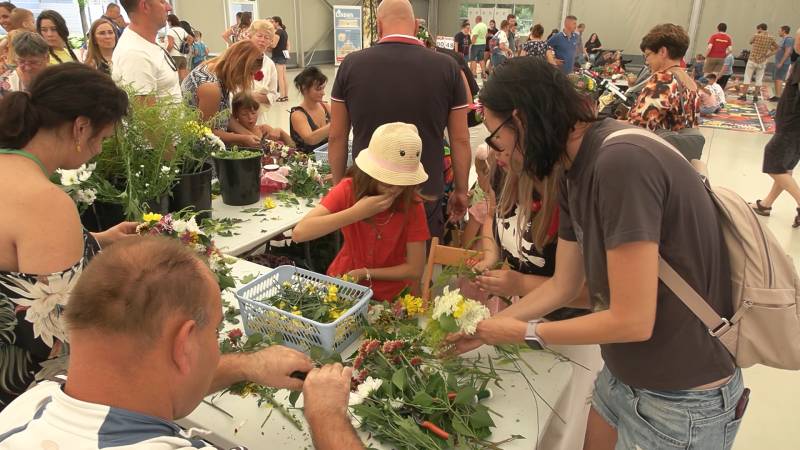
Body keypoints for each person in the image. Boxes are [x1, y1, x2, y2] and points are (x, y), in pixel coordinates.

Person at [448, 56, 743, 450]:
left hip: (681, 395)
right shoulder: (572, 169)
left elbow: (633, 319)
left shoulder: (619, 162)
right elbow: (565, 286)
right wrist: (483, 331)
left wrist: (527, 332)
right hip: (625, 374)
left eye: (496, 138)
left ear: (521, 122)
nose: (497, 153)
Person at [0, 237, 363, 449]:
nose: (217, 346)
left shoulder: (29, 403)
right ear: (185, 342)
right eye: (216, 333)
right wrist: (327, 417)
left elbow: (140, 381)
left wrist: (245, 365)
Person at [0, 63, 136, 409]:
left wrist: (96, 239)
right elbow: (59, 337)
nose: (101, 150)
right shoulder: (45, 202)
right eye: (103, 139)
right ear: (80, 127)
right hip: (24, 396)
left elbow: (17, 255)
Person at [329, 0, 470, 240]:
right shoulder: (447, 67)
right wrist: (461, 190)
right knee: (419, 268)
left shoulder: (350, 65)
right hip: (425, 190)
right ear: (416, 27)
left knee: (367, 268)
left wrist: (338, 188)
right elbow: (460, 139)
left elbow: (337, 136)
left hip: (368, 192)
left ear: (379, 26)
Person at [294, 123, 430, 301]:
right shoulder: (349, 189)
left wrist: (366, 273)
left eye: (403, 183)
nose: (395, 189)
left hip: (393, 295)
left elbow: (415, 268)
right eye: (388, 182)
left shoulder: (411, 203)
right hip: (346, 286)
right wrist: (356, 213)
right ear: (370, 175)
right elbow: (299, 233)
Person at [750, 29, 800, 227]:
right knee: (785, 165)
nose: (796, 42)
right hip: (792, 122)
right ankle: (766, 204)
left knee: (773, 159)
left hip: (793, 123)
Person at [181, 40, 264, 147]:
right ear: (239, 67)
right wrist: (243, 138)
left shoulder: (214, 69)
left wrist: (248, 134)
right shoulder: (211, 88)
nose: (251, 79)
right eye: (250, 74)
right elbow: (205, 132)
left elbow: (223, 115)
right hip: (201, 153)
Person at [628, 24, 698, 132]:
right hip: (678, 146)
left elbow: (638, 125)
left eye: (647, 55)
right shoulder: (688, 80)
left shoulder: (664, 80)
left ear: (662, 51)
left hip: (657, 146)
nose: (646, 61)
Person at [113, 0, 181, 102]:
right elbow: (146, 115)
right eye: (162, 2)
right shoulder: (135, 54)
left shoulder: (147, 42)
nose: (169, 7)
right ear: (145, 6)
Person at [290, 66, 331, 154]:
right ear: (304, 89)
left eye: (323, 88)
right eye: (318, 89)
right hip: (307, 162)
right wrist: (335, 124)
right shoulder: (298, 114)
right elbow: (311, 139)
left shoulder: (326, 107)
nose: (323, 93)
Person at [248, 19, 279, 124]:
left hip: (258, 117)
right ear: (251, 36)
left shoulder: (270, 64)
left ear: (270, 42)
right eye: (259, 36)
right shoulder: (238, 59)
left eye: (267, 38)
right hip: (235, 113)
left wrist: (257, 97)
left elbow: (273, 94)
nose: (262, 40)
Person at [739, 23, 779, 102]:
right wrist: (768, 55)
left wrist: (757, 34)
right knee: (759, 79)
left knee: (747, 77)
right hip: (762, 61)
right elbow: (777, 48)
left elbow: (750, 42)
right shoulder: (771, 38)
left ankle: (743, 96)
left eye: (758, 29)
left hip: (752, 59)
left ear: (760, 28)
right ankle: (755, 96)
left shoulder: (756, 35)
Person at [0, 31, 48, 98]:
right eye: (21, 62)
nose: (27, 68)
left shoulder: (58, 80)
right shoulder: (4, 83)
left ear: (46, 58)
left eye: (33, 62)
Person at [771, 25, 795, 101]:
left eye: (779, 30)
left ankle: (779, 96)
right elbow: (778, 50)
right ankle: (776, 95)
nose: (778, 32)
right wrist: (768, 54)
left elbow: (788, 51)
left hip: (783, 63)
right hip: (778, 62)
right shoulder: (782, 39)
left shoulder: (789, 39)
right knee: (776, 78)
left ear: (784, 31)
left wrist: (781, 62)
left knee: (779, 79)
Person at [165, 13, 190, 81]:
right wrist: (185, 45)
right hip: (182, 56)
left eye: (167, 21)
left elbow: (171, 45)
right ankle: (185, 91)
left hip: (174, 56)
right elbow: (190, 38)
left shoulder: (170, 31)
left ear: (170, 21)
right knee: (183, 78)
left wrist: (165, 53)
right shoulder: (182, 30)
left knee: (174, 77)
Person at [271, 16, 290, 102]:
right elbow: (287, 45)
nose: (271, 23)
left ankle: (282, 96)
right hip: (283, 55)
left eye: (273, 22)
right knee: (284, 77)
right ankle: (286, 95)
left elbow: (274, 45)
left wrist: (267, 44)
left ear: (277, 22)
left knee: (280, 77)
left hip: (278, 56)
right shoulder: (284, 32)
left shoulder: (278, 32)